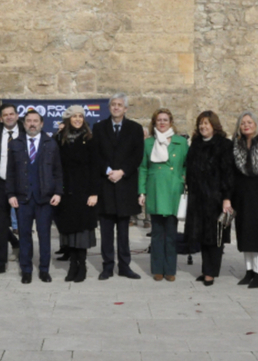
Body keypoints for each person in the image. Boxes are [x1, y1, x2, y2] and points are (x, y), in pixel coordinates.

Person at [6, 110, 62, 283]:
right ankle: (27, 270)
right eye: (29, 121)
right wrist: (10, 194)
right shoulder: (15, 144)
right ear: (24, 124)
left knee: (44, 235)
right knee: (24, 235)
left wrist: (58, 192)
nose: (32, 124)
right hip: (23, 198)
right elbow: (11, 172)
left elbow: (58, 171)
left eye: (35, 121)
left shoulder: (51, 144)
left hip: (44, 198)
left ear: (42, 123)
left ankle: (44, 270)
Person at [92, 93, 144, 280]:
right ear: (109, 107)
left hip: (125, 185)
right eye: (113, 104)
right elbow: (95, 154)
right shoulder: (99, 128)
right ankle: (107, 266)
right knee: (106, 230)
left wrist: (122, 171)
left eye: (119, 105)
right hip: (106, 185)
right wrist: (108, 171)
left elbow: (137, 155)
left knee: (123, 230)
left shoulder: (135, 128)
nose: (116, 107)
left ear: (125, 109)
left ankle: (124, 266)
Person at [184, 111, 233, 287]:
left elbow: (227, 173)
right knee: (202, 235)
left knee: (215, 237)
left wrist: (226, 198)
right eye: (201, 124)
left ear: (214, 125)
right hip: (198, 198)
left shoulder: (224, 145)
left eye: (206, 123)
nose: (203, 127)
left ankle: (211, 272)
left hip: (216, 198)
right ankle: (206, 269)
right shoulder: (195, 145)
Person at [138, 109, 187, 281]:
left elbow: (187, 165)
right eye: (159, 120)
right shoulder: (148, 143)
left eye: (165, 120)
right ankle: (157, 268)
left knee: (171, 233)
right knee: (157, 232)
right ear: (154, 122)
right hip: (155, 188)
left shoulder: (181, 142)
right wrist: (141, 191)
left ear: (171, 122)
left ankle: (170, 270)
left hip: (173, 189)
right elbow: (143, 168)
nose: (162, 123)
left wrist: (183, 178)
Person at [54, 106, 100, 283]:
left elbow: (95, 167)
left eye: (81, 116)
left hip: (84, 192)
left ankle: (82, 265)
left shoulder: (89, 139)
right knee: (69, 231)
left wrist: (94, 193)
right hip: (66, 192)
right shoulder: (60, 138)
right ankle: (73, 265)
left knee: (81, 232)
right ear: (68, 119)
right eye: (74, 116)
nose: (78, 119)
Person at [232, 111, 258, 289]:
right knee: (244, 233)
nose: (246, 125)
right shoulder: (236, 144)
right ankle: (249, 271)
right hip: (241, 195)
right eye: (242, 123)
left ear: (255, 124)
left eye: (249, 122)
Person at [0, 104, 24, 273]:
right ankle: (0, 262)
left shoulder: (27, 132)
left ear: (17, 116)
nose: (9, 117)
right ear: (1, 118)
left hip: (22, 184)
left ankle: (25, 260)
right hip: (0, 183)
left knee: (24, 223)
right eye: (5, 115)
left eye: (12, 114)